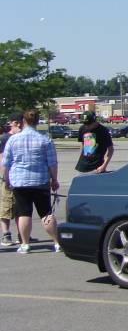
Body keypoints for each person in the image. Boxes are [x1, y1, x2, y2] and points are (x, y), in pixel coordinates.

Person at [0, 108, 60, 253]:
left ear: (23, 122)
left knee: (24, 213)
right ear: (37, 121)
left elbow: (6, 163)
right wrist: (54, 179)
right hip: (40, 180)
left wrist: (6, 179)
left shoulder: (13, 139)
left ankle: (25, 244)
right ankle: (57, 242)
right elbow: (52, 163)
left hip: (20, 181)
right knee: (46, 213)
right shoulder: (45, 139)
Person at [0, 112, 22, 246]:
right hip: (7, 177)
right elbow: (2, 159)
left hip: (21, 178)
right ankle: (6, 234)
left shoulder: (22, 137)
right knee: (6, 207)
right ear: (16, 123)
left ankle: (22, 234)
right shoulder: (5, 138)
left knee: (21, 206)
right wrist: (5, 176)